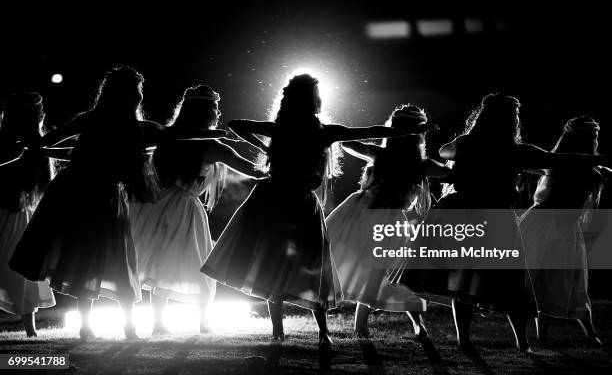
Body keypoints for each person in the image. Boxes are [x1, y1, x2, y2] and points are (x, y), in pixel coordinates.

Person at [201, 74, 431, 346]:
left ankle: (285, 332)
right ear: (312, 100)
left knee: (276, 262)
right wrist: (410, 130)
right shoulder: (322, 132)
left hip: (274, 196)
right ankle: (318, 333)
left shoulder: (282, 128)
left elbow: (236, 125)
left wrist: (265, 146)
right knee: (308, 264)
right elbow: (371, 132)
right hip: (294, 200)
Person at [9, 66, 224, 340]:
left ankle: (98, 327)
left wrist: (35, 145)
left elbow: (47, 141)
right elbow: (177, 134)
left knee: (86, 258)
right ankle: (123, 329)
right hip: (97, 196)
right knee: (115, 259)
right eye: (139, 90)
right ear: (130, 94)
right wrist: (216, 135)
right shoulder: (134, 128)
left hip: (77, 191)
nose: (141, 95)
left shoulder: (95, 121)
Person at [393, 93, 609, 352]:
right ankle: (521, 342)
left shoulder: (467, 143)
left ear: (482, 117)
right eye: (515, 116)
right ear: (511, 120)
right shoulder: (517, 151)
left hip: (461, 212)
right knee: (510, 282)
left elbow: (444, 151)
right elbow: (559, 160)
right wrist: (597, 159)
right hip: (493, 217)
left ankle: (465, 340)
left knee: (464, 281)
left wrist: (468, 154)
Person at [130, 85, 267, 335]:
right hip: (182, 207)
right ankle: (202, 322)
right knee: (198, 263)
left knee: (160, 261)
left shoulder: (167, 136)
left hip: (153, 204)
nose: (218, 111)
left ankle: (159, 323)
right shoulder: (213, 147)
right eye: (215, 107)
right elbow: (254, 172)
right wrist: (274, 155)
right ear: (207, 111)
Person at [326, 105, 449, 338]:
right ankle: (366, 324)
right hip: (368, 214)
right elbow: (347, 143)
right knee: (376, 272)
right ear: (419, 135)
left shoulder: (405, 161)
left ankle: (378, 324)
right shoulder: (398, 159)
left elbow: (452, 175)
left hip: (372, 216)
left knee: (380, 273)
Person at [520, 116, 605, 346]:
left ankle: (553, 334)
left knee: (548, 278)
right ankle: (576, 333)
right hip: (554, 224)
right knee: (556, 278)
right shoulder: (589, 172)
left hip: (549, 223)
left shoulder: (563, 165)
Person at [0, 92, 56, 336]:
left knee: (22, 269)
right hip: (14, 212)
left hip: (21, 211)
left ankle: (31, 329)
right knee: (20, 269)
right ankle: (30, 329)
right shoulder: (22, 145)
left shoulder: (35, 145)